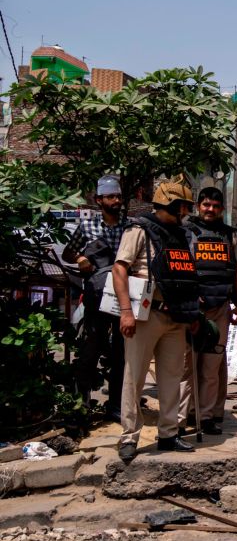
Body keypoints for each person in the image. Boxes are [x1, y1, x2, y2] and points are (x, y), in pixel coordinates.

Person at [112, 176, 201, 462]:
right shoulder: (140, 229)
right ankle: (129, 437)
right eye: (183, 206)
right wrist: (126, 311)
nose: (186, 212)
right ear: (171, 204)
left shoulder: (181, 235)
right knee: (134, 377)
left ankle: (168, 435)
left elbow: (185, 275)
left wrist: (192, 314)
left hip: (175, 315)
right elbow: (119, 269)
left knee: (171, 378)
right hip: (144, 316)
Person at [63, 174, 129, 421]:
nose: (116, 200)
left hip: (123, 300)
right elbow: (69, 252)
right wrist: (80, 259)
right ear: (98, 200)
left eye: (119, 196)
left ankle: (115, 406)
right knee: (92, 348)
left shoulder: (129, 227)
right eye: (111, 196)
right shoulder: (87, 226)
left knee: (121, 354)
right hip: (96, 297)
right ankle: (82, 405)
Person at [178, 187, 237, 436]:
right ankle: (181, 420)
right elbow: (179, 267)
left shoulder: (230, 235)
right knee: (186, 367)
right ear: (198, 205)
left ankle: (206, 418)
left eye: (215, 206)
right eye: (206, 205)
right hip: (193, 309)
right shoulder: (186, 232)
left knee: (212, 368)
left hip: (220, 308)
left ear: (222, 209)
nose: (210, 209)